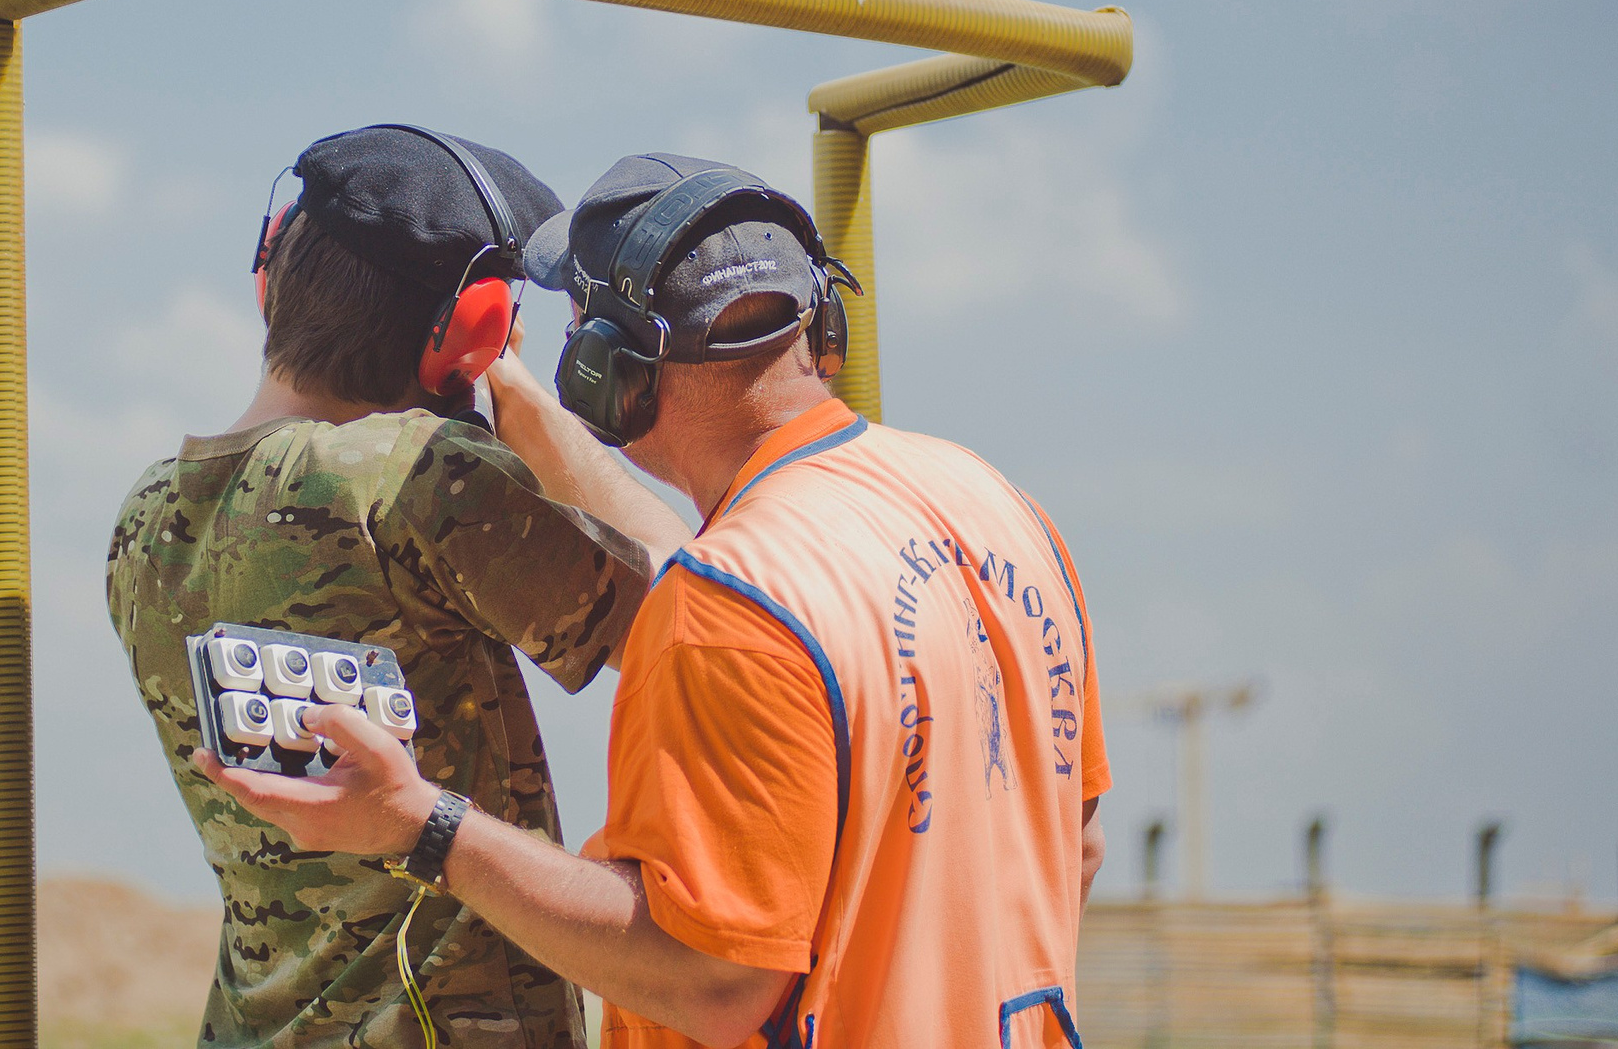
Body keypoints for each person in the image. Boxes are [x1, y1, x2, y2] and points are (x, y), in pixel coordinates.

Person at [204, 154, 1111, 1049]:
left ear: (611, 370)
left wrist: (425, 824)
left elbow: (715, 983)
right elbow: (1074, 845)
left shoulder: (731, 604)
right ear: (818, 322)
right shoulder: (997, 507)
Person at [106, 126, 685, 1049]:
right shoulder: (414, 476)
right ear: (472, 333)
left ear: (272, 274)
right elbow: (704, 615)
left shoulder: (145, 516)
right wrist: (525, 402)